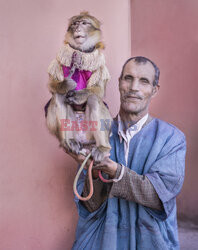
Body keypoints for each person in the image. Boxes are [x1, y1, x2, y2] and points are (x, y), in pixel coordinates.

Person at [67, 56, 186, 249]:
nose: (134, 87)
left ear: (154, 90)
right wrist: (94, 172)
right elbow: (89, 205)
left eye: (144, 81)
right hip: (103, 242)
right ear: (119, 83)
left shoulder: (171, 138)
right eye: (128, 78)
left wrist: (115, 171)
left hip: (151, 242)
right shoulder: (95, 134)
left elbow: (157, 196)